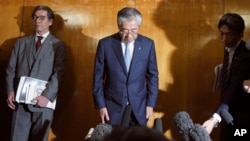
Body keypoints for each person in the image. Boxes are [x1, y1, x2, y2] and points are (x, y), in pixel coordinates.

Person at [6, 5, 66, 141]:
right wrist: (10, 91)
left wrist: (47, 97)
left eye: (42, 18)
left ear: (50, 22)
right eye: (35, 17)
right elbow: (10, 69)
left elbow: (59, 74)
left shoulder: (58, 45)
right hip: (19, 103)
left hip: (43, 104)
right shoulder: (21, 43)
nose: (37, 21)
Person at [92, 7, 159, 126]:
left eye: (134, 30)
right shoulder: (105, 44)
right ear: (118, 27)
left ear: (139, 26)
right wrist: (101, 105)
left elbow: (153, 76)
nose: (129, 35)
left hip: (139, 108)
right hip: (112, 107)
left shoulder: (148, 45)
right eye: (125, 31)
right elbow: (97, 78)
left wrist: (150, 104)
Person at [202, 13, 250, 140]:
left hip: (241, 116)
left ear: (240, 34)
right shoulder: (228, 49)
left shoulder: (245, 56)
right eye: (221, 33)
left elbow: (233, 88)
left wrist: (214, 119)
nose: (224, 39)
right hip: (226, 111)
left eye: (229, 34)